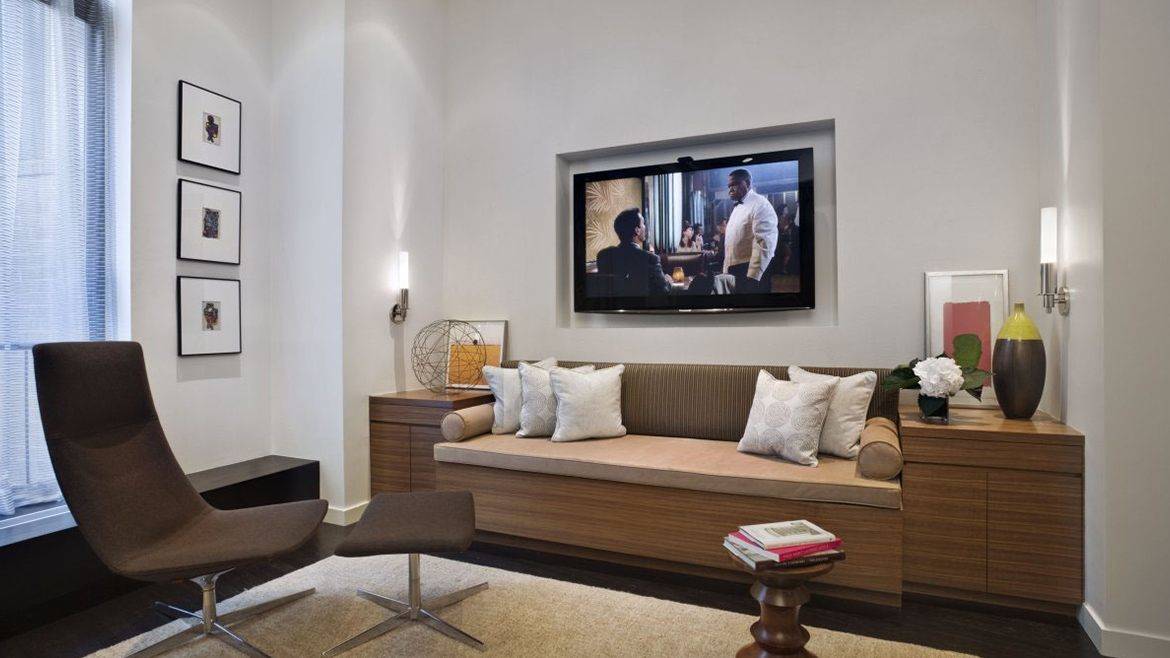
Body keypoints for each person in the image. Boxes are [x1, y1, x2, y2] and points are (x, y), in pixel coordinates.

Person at [722, 169, 778, 294]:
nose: (730, 189)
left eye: (734, 184)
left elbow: (764, 243)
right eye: (729, 186)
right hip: (735, 270)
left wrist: (753, 276)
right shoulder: (737, 207)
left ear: (747, 183)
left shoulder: (760, 204)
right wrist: (726, 271)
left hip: (750, 271)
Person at [596, 208, 671, 296]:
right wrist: (668, 282)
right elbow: (663, 291)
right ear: (637, 230)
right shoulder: (650, 258)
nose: (645, 227)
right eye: (643, 223)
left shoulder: (603, 255)